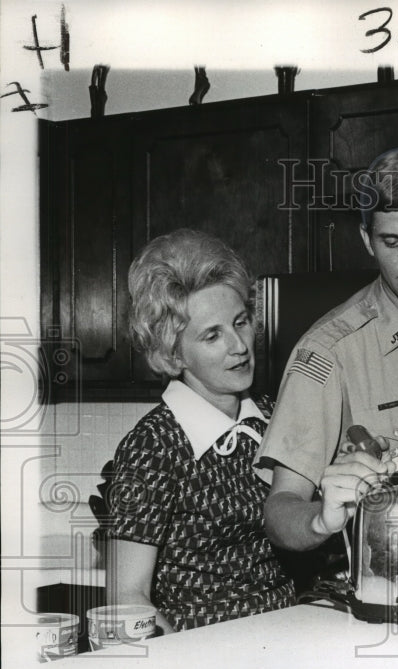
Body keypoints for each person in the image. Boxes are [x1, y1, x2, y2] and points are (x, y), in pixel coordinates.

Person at [257, 147, 398, 552]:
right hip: (384, 586)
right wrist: (323, 517)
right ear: (367, 240)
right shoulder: (328, 350)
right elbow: (280, 511)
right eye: (392, 242)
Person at [105, 229, 297, 633]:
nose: (240, 346)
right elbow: (126, 597)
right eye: (213, 335)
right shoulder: (153, 447)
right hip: (204, 660)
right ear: (171, 355)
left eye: (240, 322)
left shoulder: (273, 414)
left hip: (289, 645)